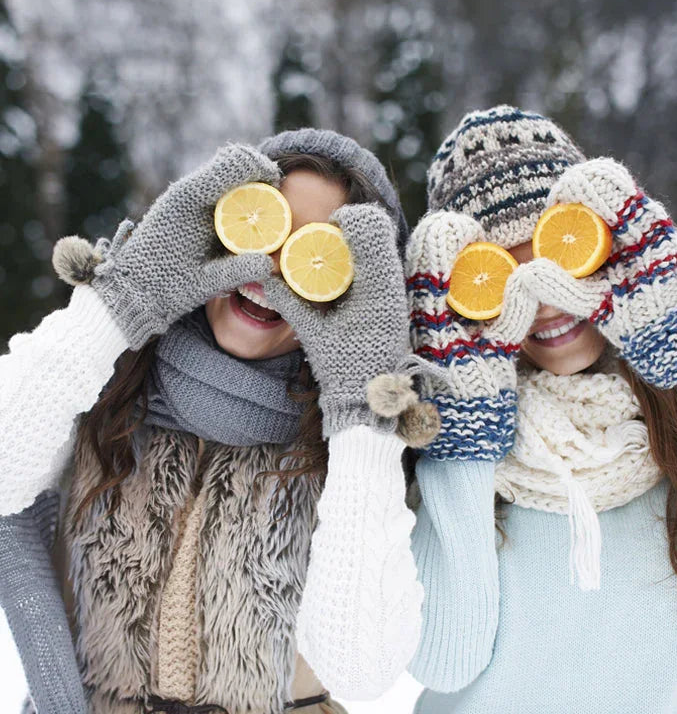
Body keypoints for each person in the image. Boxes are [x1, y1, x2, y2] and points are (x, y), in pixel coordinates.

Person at [0, 131, 423, 714]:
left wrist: (361, 413)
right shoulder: (102, 373)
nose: (268, 273)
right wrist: (121, 302)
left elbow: (359, 668)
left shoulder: (363, 448)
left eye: (314, 256)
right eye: (261, 228)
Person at [402, 105, 677, 713]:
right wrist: (463, 429)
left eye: (558, 255)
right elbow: (442, 660)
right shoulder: (452, 455)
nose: (543, 299)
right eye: (503, 275)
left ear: (608, 249)